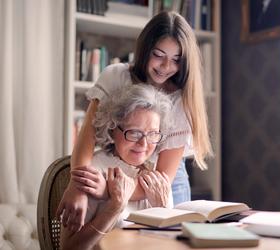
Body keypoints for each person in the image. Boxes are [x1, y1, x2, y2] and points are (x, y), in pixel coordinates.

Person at [57, 11, 212, 232]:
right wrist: (77, 186)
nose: (166, 66)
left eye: (176, 60)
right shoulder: (115, 76)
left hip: (164, 181)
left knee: (167, 241)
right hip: (117, 168)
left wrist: (106, 191)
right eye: (158, 55)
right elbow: (86, 140)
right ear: (145, 49)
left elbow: (162, 178)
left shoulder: (181, 100)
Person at [60, 84, 173, 250]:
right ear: (113, 129)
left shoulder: (157, 178)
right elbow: (68, 248)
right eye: (134, 132)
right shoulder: (93, 171)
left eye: (152, 134)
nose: (144, 143)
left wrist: (162, 211)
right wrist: (113, 209)